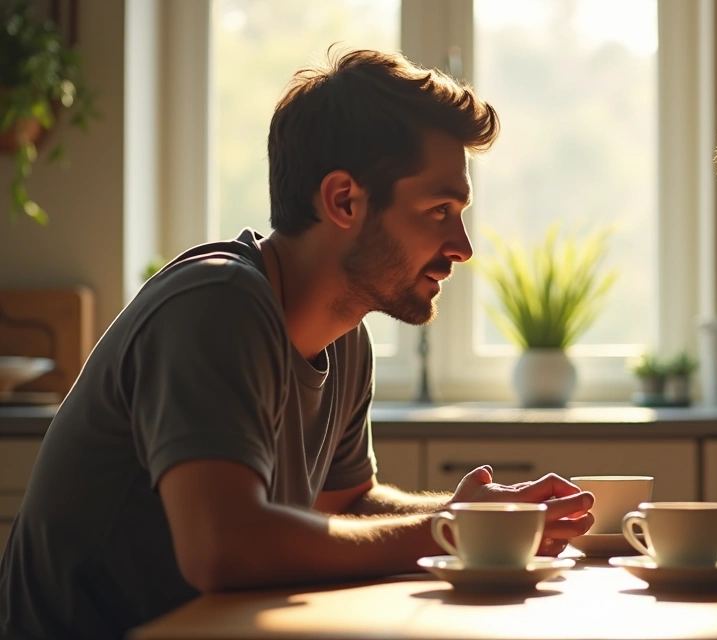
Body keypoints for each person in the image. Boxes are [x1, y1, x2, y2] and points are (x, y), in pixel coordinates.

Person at [0, 49, 594, 639]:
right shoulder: (216, 303)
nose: (462, 246)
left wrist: (467, 517)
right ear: (343, 200)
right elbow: (222, 550)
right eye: (439, 210)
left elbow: (346, 505)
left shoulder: (346, 337)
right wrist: (451, 532)